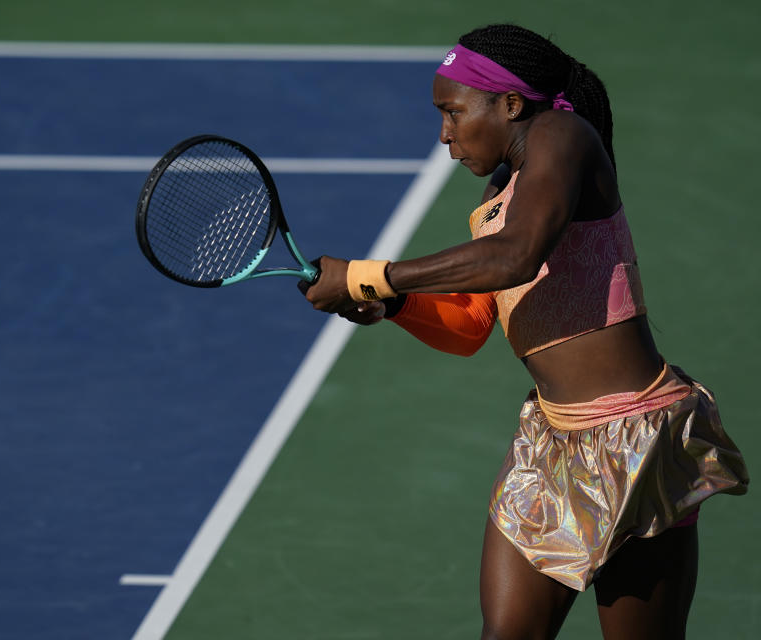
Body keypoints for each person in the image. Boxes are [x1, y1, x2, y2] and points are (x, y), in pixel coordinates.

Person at [299, 24, 749, 640]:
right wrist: (392, 304)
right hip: (550, 443)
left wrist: (369, 276)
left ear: (510, 105)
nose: (444, 134)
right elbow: (469, 325)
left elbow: (516, 256)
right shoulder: (500, 192)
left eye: (452, 112)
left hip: (636, 441)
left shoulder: (564, 136)